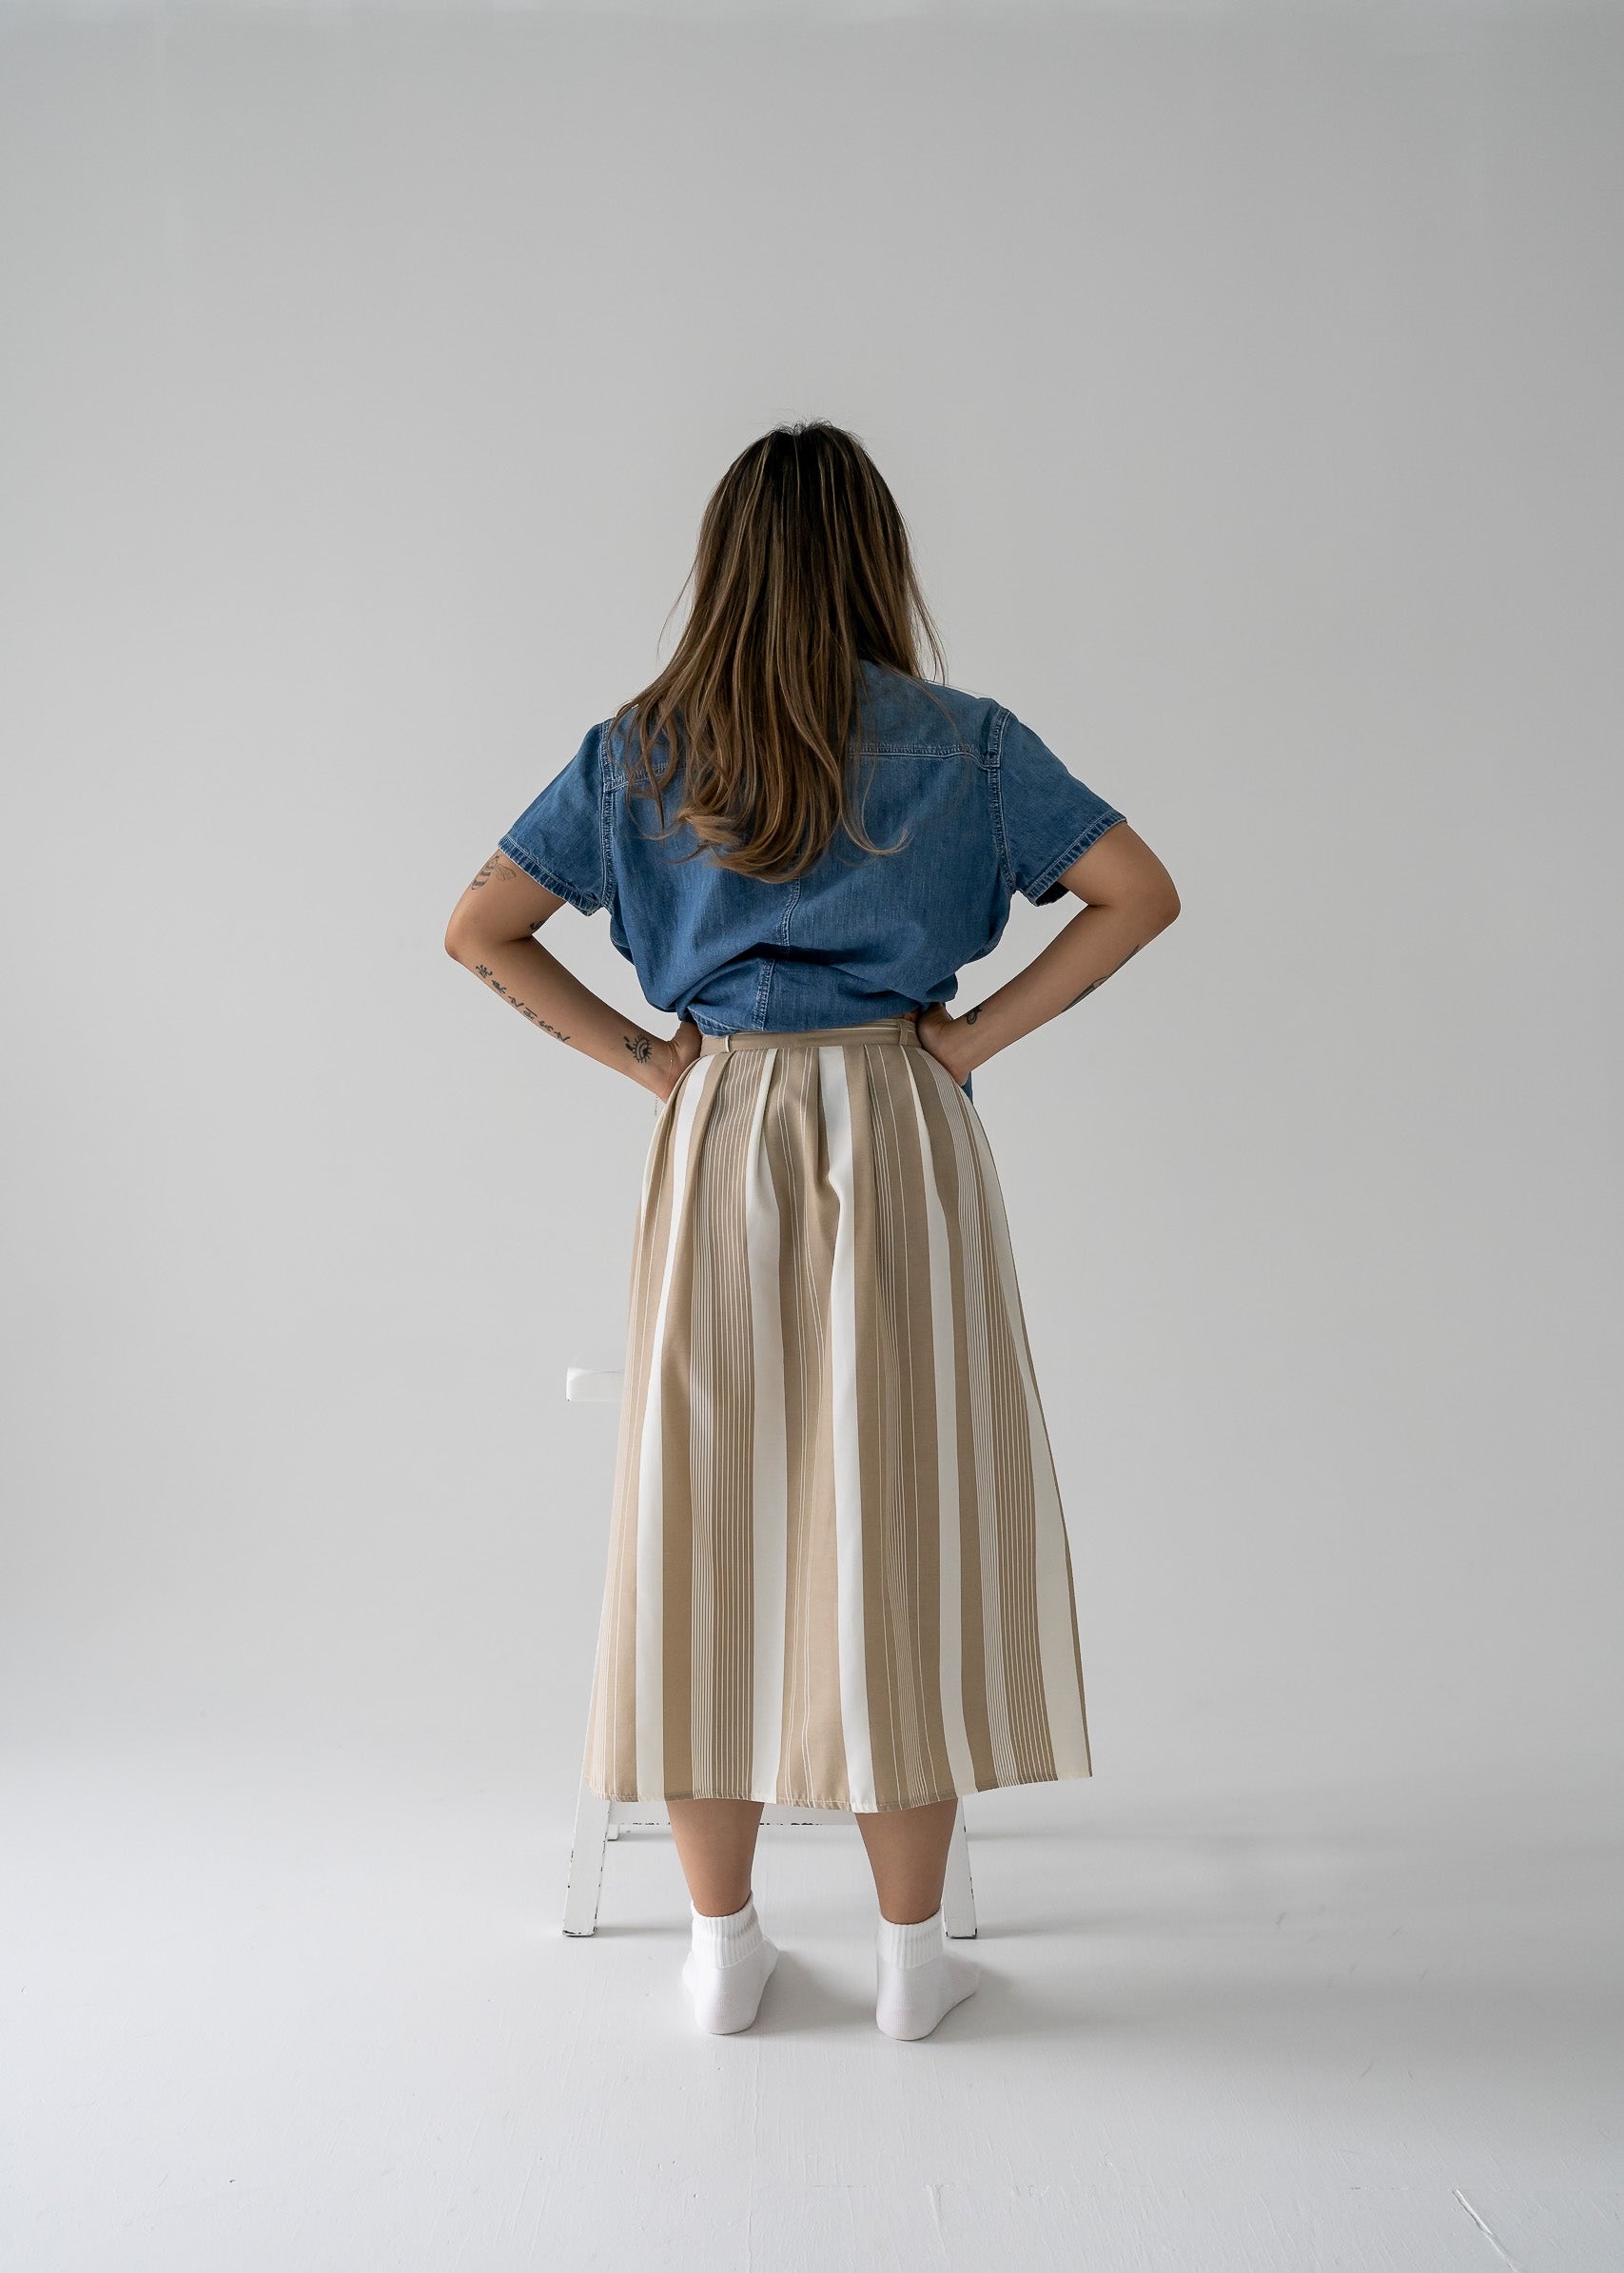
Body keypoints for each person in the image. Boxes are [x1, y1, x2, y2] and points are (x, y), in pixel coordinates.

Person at [444, 421, 1180, 2041]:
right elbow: (1140, 888)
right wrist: (967, 1042)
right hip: (902, 1133)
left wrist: (652, 1060)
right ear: (875, 559)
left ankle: (722, 1945)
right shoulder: (966, 744)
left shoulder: (638, 749)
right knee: (895, 1514)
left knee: (705, 1516)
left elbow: (476, 926)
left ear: (719, 566)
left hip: (722, 1138)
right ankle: (914, 1960)